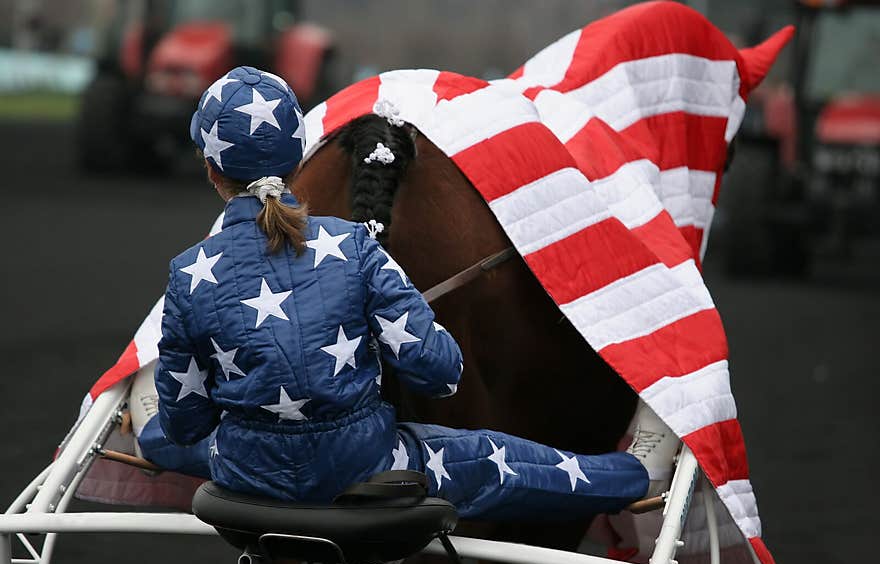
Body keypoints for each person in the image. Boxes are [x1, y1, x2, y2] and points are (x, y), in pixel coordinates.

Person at [131, 66, 680, 522]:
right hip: (367, 468)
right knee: (501, 462)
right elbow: (440, 373)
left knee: (159, 435)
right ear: (299, 159)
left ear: (210, 170)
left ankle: (142, 414)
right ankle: (636, 472)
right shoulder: (355, 247)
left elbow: (185, 424)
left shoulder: (187, 274)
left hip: (244, 468)